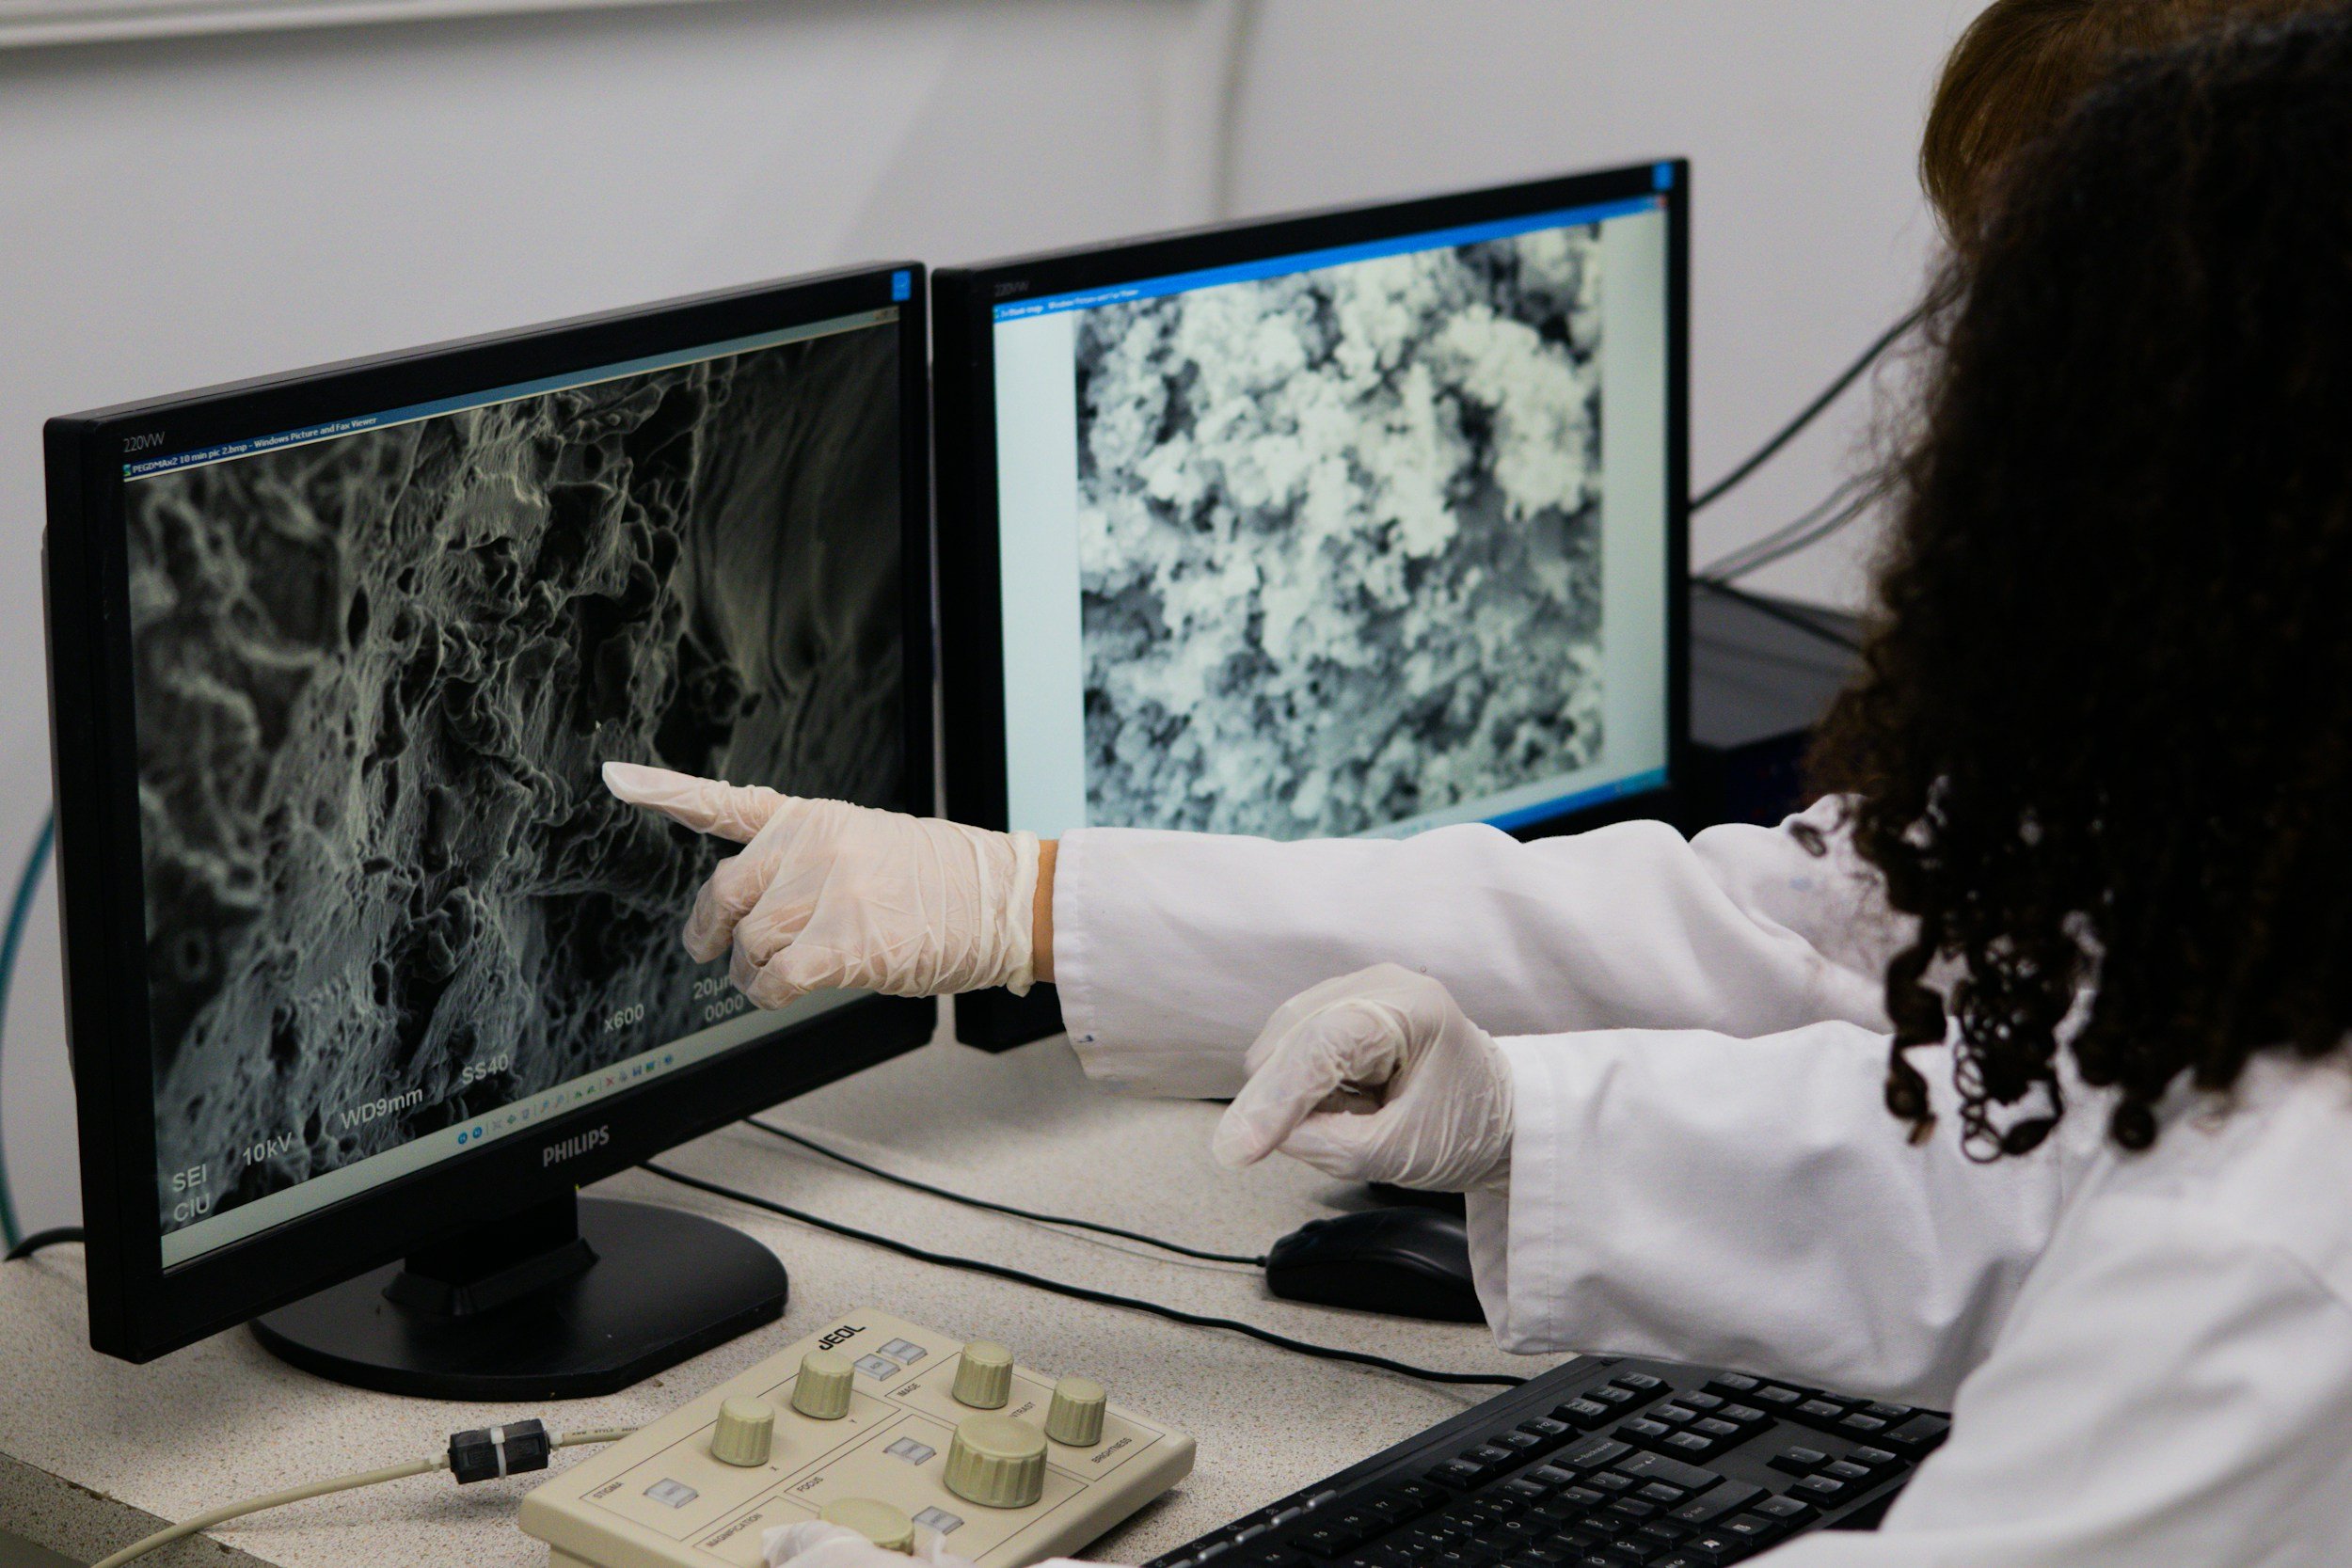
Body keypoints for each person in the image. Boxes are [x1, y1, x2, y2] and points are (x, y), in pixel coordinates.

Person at [606, 8, 2352, 1566]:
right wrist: (1520, 1119)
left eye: (2008, 330)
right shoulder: (2271, 938)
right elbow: (1994, 1142)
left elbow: (2134, 1231)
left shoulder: (2269, 1263)